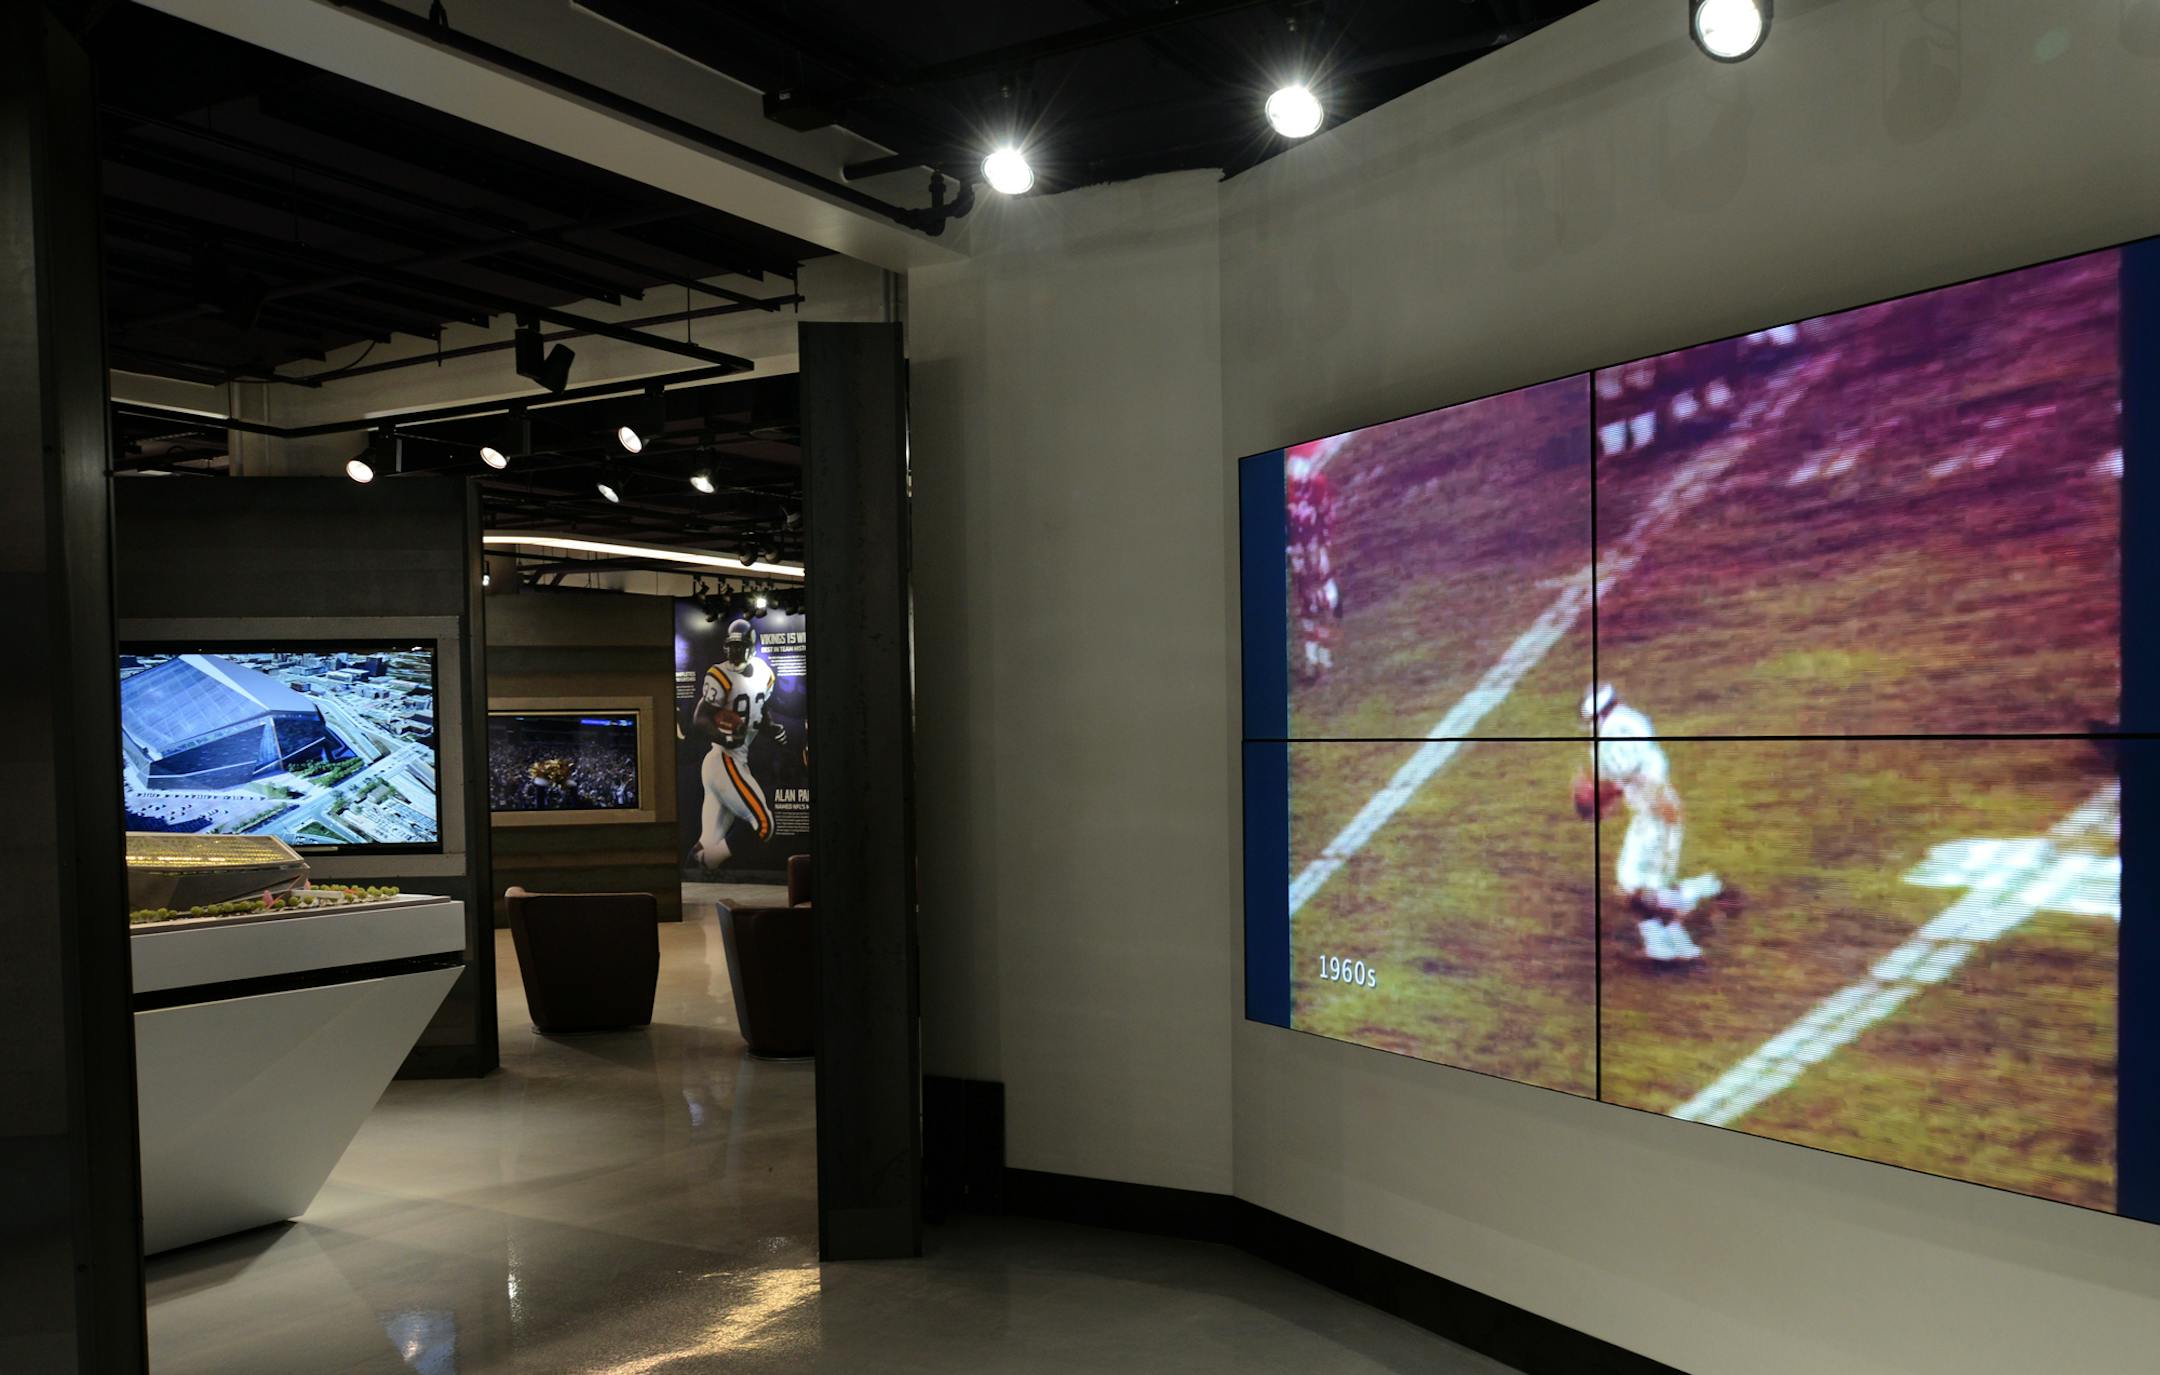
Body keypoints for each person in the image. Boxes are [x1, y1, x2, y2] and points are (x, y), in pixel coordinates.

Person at [1578, 683, 1726, 963]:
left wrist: (1598, 797)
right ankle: (1666, 946)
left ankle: (1701, 892)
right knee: (1635, 887)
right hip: (1655, 815)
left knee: (1640, 892)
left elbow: (1622, 776)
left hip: (1657, 818)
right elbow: (1634, 774)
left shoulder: (1609, 738)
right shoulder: (1633, 721)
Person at [690, 618, 782, 871]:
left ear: (752, 648)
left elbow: (760, 710)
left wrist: (770, 727)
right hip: (723, 758)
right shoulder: (720, 674)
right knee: (765, 824)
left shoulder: (764, 672)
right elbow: (700, 718)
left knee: (708, 841)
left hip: (735, 760)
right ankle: (707, 861)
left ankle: (695, 872)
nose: (734, 652)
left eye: (740, 646)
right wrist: (725, 737)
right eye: (730, 646)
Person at [1286, 437, 1344, 682]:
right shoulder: (1289, 493)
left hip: (1314, 546)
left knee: (1321, 598)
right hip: (1299, 549)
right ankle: (1313, 660)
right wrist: (1289, 548)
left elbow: (1326, 514)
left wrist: (1324, 541)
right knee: (1306, 601)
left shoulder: (1317, 486)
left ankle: (1325, 657)